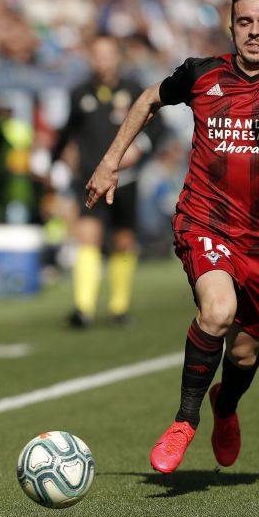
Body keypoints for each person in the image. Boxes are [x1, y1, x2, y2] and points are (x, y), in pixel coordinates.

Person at [85, 0, 259, 473]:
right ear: (231, 27)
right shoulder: (202, 74)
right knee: (218, 310)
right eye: (245, 21)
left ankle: (225, 407)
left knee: (243, 356)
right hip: (206, 220)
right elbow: (146, 99)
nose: (254, 31)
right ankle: (185, 420)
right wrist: (111, 161)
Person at [53, 35, 162, 327]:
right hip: (91, 180)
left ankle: (119, 307)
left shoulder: (134, 90)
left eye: (108, 53)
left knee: (123, 241)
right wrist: (55, 161)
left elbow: (157, 125)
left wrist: (140, 149)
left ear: (118, 57)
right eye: (97, 53)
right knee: (87, 237)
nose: (102, 59)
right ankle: (83, 308)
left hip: (126, 180)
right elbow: (68, 132)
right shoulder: (79, 93)